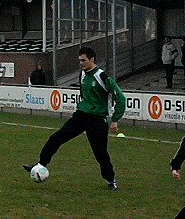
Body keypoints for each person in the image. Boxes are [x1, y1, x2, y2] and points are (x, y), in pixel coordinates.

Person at [23, 46, 126, 191]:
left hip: (97, 119)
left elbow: (120, 97)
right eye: (79, 60)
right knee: (57, 137)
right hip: (81, 115)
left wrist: (115, 119)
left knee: (100, 153)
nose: (81, 63)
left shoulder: (102, 76)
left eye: (84, 60)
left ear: (92, 59)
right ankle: (41, 164)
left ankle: (110, 180)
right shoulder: (82, 74)